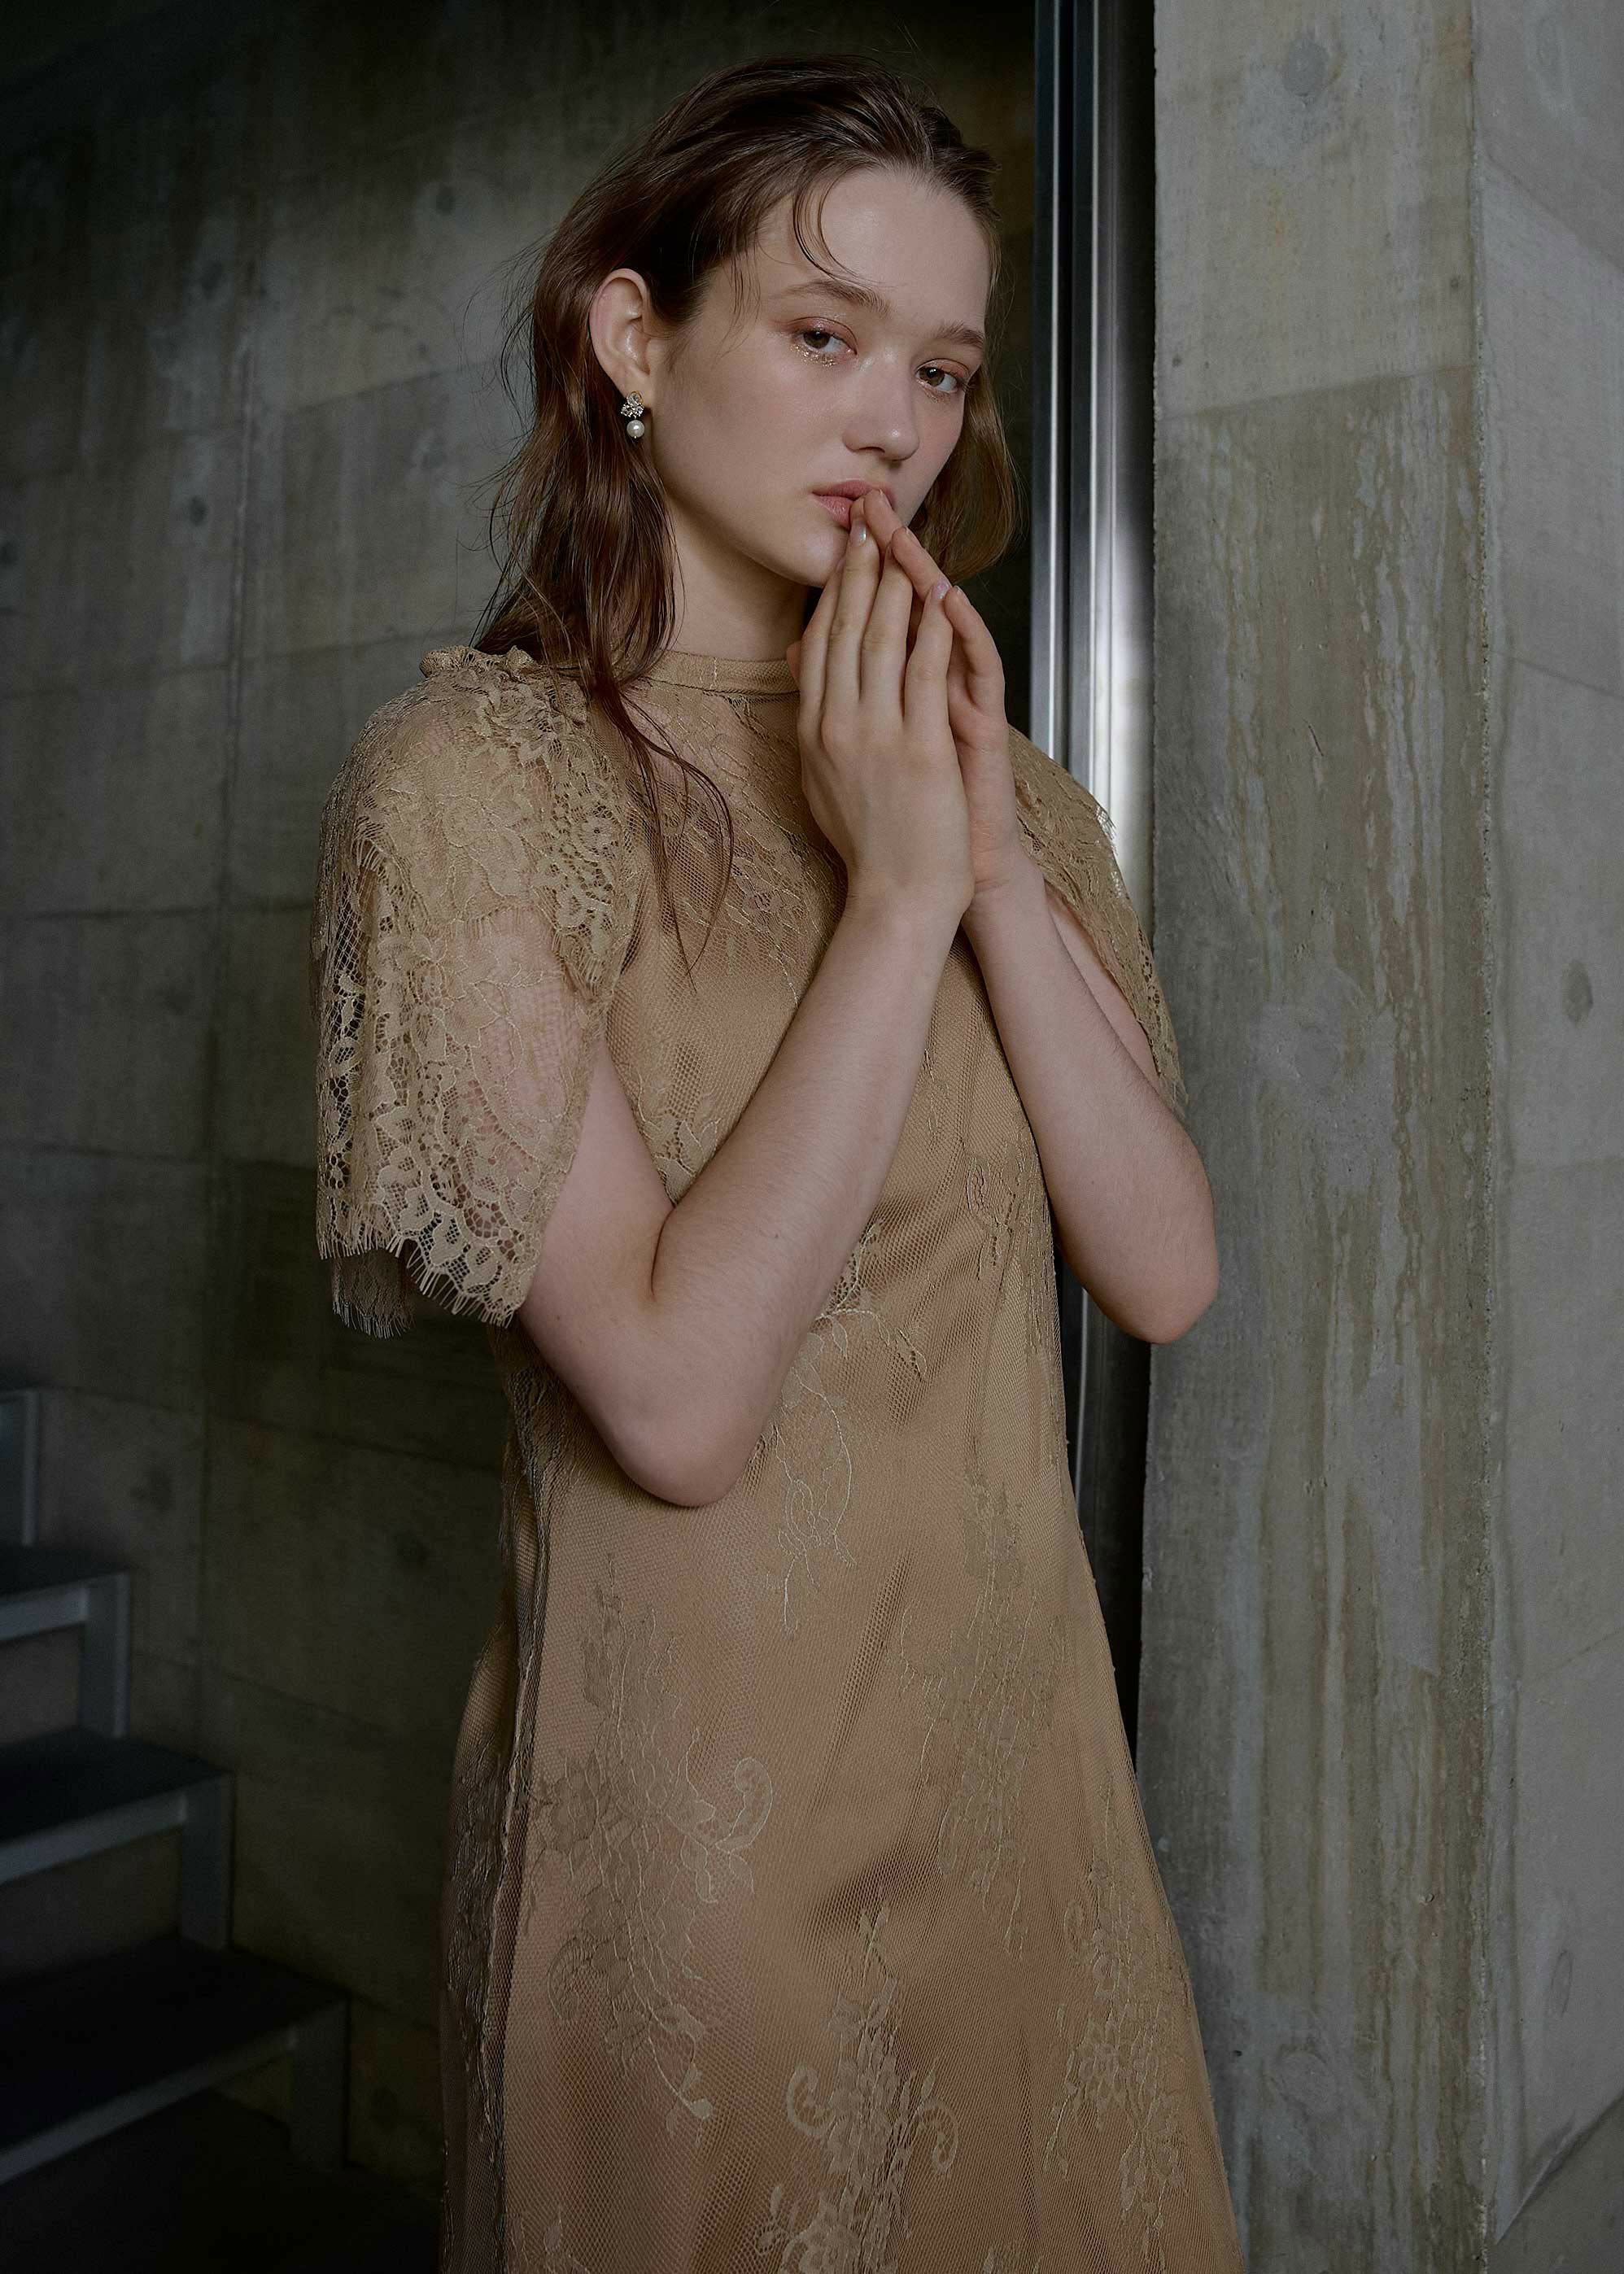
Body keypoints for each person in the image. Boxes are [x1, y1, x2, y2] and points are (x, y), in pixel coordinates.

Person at [308, 50, 1244, 2274]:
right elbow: (672, 1401)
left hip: (1021, 1784)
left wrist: (980, 856)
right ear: (636, 340)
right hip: (700, 1857)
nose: (891, 422)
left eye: (939, 367)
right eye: (823, 334)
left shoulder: (1007, 795)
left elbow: (1163, 1268)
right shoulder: (475, 782)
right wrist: (897, 903)